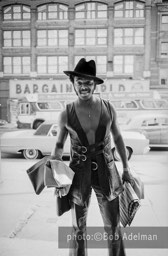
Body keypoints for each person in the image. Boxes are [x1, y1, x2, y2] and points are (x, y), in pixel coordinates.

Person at [51, 58, 133, 256]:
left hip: (108, 172)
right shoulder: (66, 113)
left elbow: (119, 137)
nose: (84, 87)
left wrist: (126, 169)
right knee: (78, 229)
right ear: (73, 83)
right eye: (79, 82)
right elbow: (60, 145)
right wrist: (57, 176)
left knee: (113, 228)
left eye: (88, 83)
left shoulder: (108, 108)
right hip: (78, 174)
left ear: (95, 84)